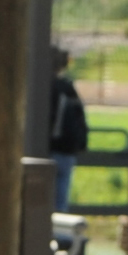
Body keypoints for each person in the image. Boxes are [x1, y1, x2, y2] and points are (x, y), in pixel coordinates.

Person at [50, 45, 89, 211]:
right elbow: (80, 119)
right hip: (66, 153)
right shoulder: (68, 89)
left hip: (46, 150)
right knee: (60, 204)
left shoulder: (40, 88)